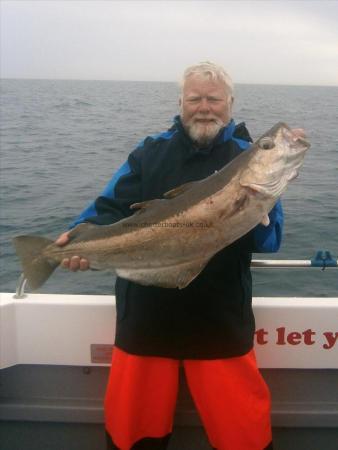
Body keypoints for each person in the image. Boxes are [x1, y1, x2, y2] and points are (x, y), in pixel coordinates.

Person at [57, 62, 290, 450]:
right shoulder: (150, 152)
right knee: (133, 437)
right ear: (180, 102)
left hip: (220, 319)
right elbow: (107, 207)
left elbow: (270, 242)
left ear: (230, 103)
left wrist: (258, 205)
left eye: (213, 99)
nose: (204, 107)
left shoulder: (250, 158)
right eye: (194, 98)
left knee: (243, 438)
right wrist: (78, 241)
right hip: (146, 318)